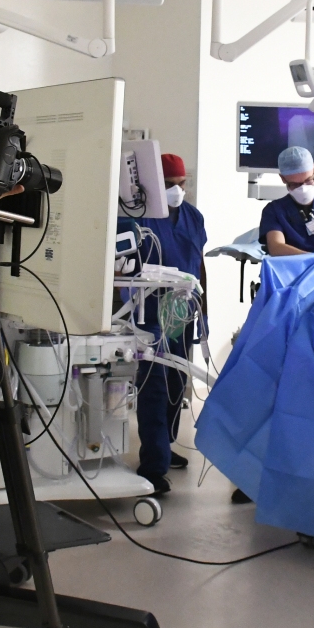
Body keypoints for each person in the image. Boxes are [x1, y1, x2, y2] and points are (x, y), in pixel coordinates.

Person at [117, 153, 207, 495]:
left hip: (182, 311)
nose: (176, 191)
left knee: (176, 383)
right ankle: (153, 465)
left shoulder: (193, 217)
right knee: (154, 384)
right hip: (149, 311)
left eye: (181, 185)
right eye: (169, 185)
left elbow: (199, 265)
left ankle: (167, 446)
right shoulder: (138, 220)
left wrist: (203, 314)